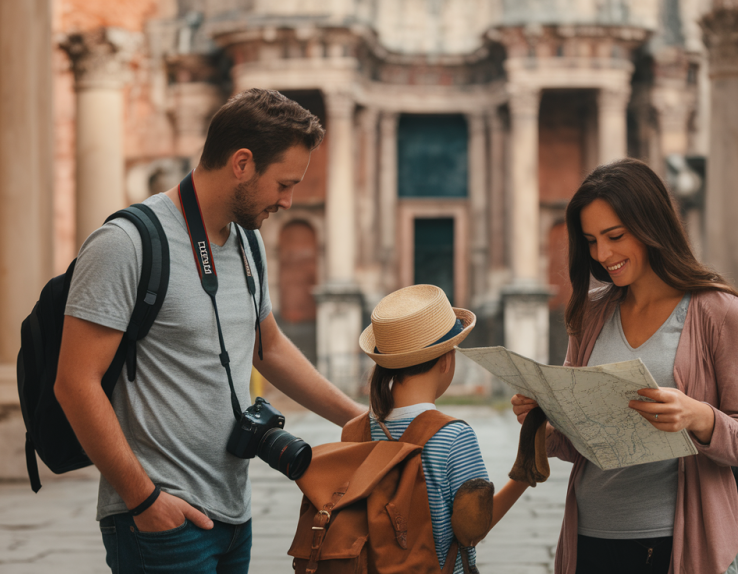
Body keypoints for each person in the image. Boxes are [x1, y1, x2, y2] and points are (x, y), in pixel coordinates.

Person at [55, 89, 367, 573]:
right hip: (159, 519)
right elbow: (74, 384)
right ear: (242, 163)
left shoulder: (248, 243)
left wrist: (356, 418)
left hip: (232, 514)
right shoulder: (126, 243)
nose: (288, 201)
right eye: (284, 184)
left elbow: (271, 347)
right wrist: (144, 502)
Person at [511, 159, 738, 574]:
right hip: (591, 537)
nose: (602, 254)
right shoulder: (590, 314)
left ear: (652, 226)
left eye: (614, 236)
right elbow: (580, 445)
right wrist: (547, 423)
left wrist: (698, 416)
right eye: (591, 240)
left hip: (680, 542)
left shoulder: (722, 314)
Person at [359, 284, 531, 574]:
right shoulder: (454, 436)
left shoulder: (358, 430)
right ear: (446, 360)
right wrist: (525, 472)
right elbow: (474, 529)